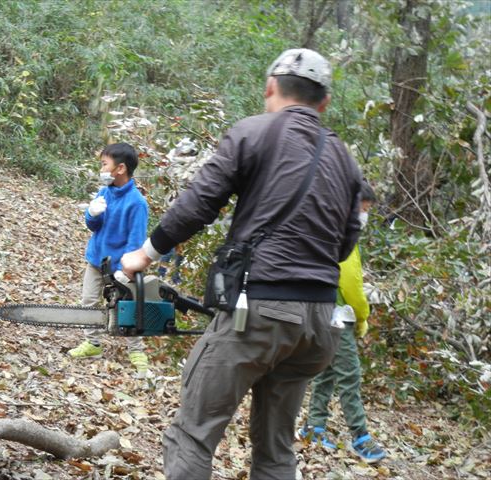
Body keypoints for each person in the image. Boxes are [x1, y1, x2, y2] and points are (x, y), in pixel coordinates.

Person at [121, 48, 363, 480]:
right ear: (324, 102)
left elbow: (200, 203)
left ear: (270, 87)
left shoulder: (254, 133)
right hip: (319, 326)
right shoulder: (344, 158)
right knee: (276, 452)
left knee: (192, 436)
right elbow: (345, 246)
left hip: (259, 313)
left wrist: (145, 254)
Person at [296, 180, 386, 463]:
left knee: (327, 372)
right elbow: (351, 283)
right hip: (337, 314)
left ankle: (314, 427)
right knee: (350, 374)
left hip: (316, 310)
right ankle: (361, 437)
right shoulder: (344, 234)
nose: (365, 215)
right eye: (365, 208)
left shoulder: (323, 225)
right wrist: (362, 317)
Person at [68, 142, 150, 376]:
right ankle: (92, 343)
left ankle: (136, 350)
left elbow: (135, 242)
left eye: (105, 164)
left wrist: (125, 269)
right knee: (89, 301)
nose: (101, 169)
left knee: (126, 309)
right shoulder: (105, 191)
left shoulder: (136, 203)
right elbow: (93, 225)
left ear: (120, 168)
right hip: (96, 260)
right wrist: (91, 213)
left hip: (120, 267)